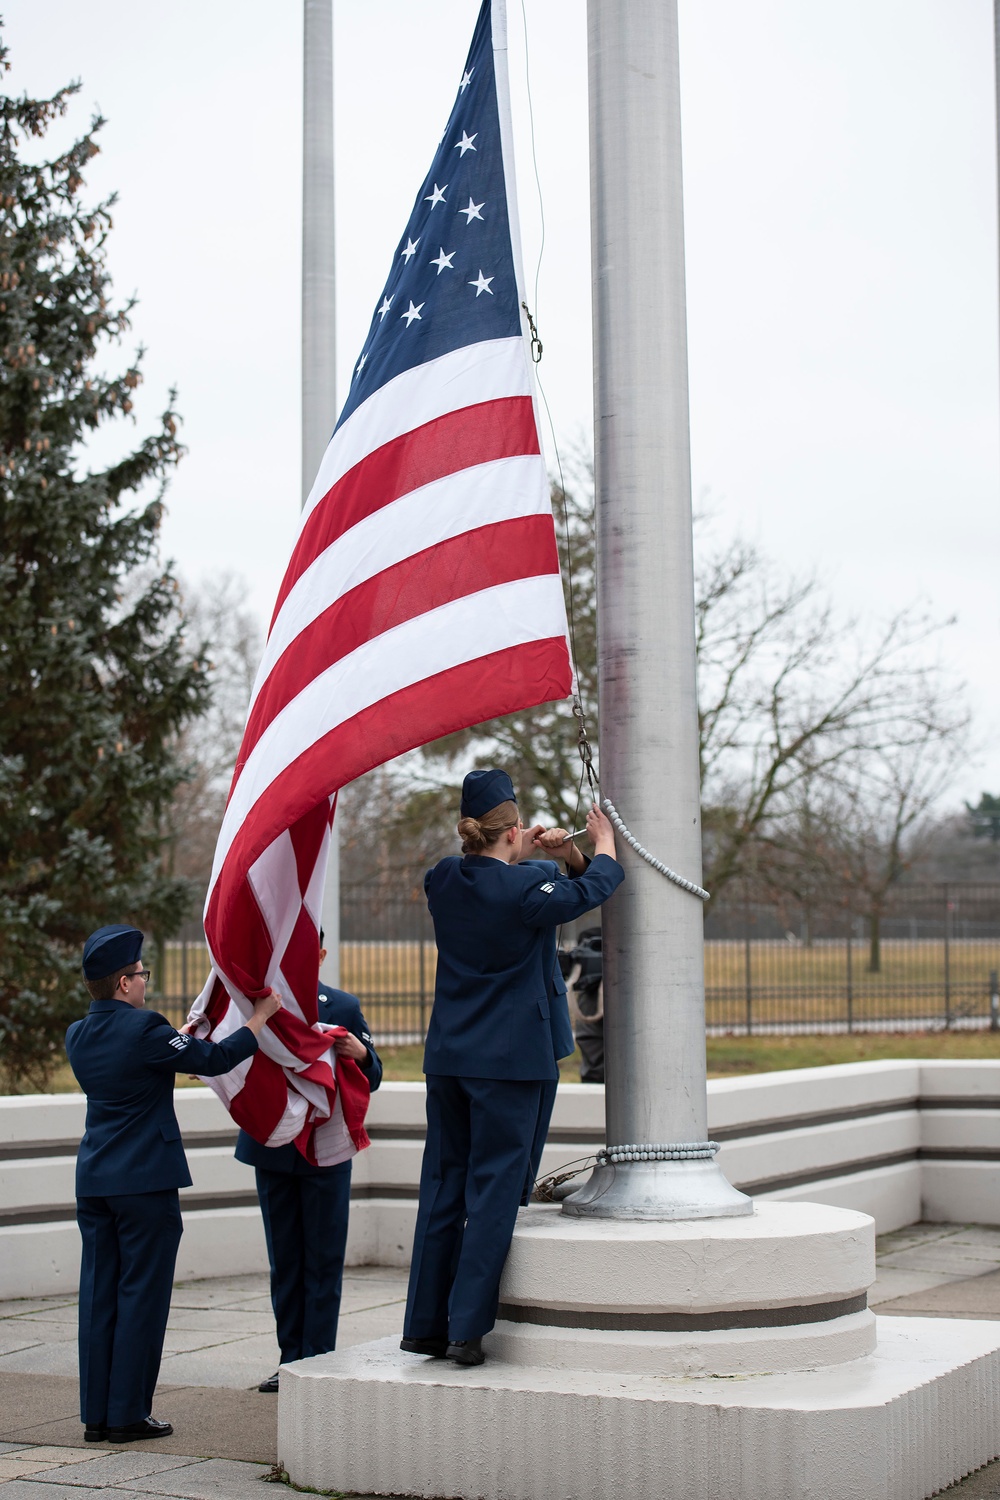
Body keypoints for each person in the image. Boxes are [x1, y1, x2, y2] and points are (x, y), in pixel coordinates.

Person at [400, 769, 624, 1367]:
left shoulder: (443, 879)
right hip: (508, 1066)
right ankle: (466, 1329)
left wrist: (529, 848)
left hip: (450, 1059)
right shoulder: (526, 892)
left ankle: (425, 1324)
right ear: (512, 830)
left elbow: (499, 870)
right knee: (494, 1190)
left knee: (444, 1188)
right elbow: (588, 891)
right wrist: (600, 847)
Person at [65, 925, 281, 1445]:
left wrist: (176, 1037)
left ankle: (97, 1415)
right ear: (122, 983)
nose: (146, 982)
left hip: (95, 1180)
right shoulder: (147, 1031)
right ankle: (128, 1415)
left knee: (99, 1296)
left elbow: (149, 1061)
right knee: (142, 1296)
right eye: (140, 974)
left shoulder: (78, 1034)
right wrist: (258, 1019)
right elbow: (214, 1060)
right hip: (144, 1183)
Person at [236, 931, 382, 1393]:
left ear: (320, 955)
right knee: (286, 1260)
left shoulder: (341, 1005)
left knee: (322, 1259)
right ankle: (289, 1360)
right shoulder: (261, 1005)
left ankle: (318, 1360)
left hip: (326, 1149)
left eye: (307, 951)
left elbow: (371, 1077)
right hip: (274, 1148)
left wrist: (362, 1054)